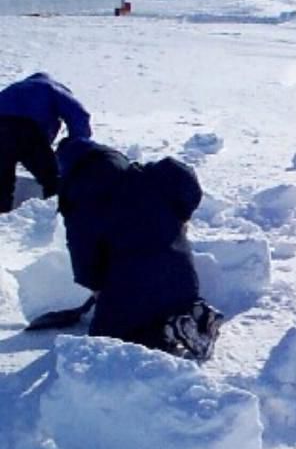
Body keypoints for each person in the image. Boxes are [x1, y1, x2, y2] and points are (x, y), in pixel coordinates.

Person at [56, 137, 223, 361]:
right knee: (168, 302)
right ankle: (195, 313)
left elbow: (83, 252)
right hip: (182, 274)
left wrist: (95, 285)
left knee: (107, 342)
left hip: (133, 283)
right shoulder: (148, 176)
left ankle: (169, 331)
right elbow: (184, 177)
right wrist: (182, 216)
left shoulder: (81, 203)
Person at [0, 72, 91, 213]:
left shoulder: (12, 89)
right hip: (28, 132)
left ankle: (3, 222)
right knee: (52, 179)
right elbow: (79, 115)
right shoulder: (52, 88)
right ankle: (55, 216)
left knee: (2, 182)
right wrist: (77, 144)